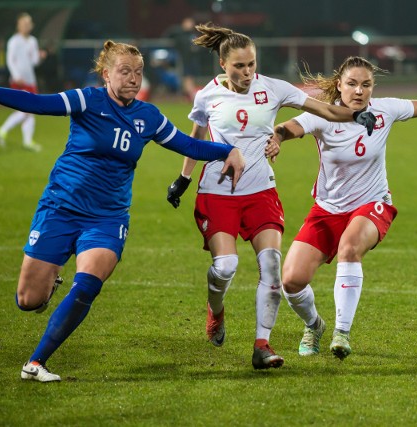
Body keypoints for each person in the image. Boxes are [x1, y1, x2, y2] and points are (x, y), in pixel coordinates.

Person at [0, 40, 245, 382]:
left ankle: (36, 362)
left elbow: (187, 144)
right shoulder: (88, 99)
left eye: (139, 73)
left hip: (107, 217)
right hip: (60, 207)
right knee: (27, 300)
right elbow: (37, 103)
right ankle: (49, 283)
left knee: (88, 283)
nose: (133, 79)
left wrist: (227, 150)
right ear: (106, 74)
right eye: (125, 71)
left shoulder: (148, 116)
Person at [165, 24, 376, 370]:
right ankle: (215, 310)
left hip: (261, 192)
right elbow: (196, 137)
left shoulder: (273, 88)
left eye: (251, 64)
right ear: (222, 64)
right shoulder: (207, 95)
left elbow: (322, 109)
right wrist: (183, 178)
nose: (247, 72)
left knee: (272, 268)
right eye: (239, 66)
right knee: (225, 268)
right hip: (218, 193)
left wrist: (355, 115)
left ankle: (262, 344)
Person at [270, 56, 417, 360]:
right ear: (339, 85)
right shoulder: (323, 114)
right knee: (291, 281)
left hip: (372, 205)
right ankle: (314, 325)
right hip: (327, 209)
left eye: (366, 84)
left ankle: (342, 332)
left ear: (372, 87)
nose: (359, 91)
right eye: (352, 83)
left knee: (349, 248)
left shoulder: (384, 110)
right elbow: (289, 127)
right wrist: (278, 137)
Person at [0, 13, 46, 152]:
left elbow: (34, 62)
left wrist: (40, 56)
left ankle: (27, 141)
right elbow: (10, 60)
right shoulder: (14, 41)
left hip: (31, 79)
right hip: (19, 80)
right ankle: (2, 131)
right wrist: (16, 75)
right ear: (19, 25)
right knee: (27, 109)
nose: (26, 25)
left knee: (30, 111)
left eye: (28, 23)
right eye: (24, 23)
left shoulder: (33, 41)